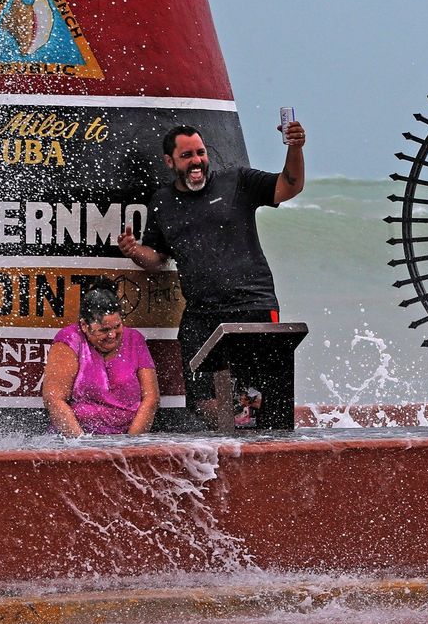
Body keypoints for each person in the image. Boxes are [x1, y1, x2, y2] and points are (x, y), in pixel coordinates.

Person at [117, 120, 306, 425]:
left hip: (252, 307)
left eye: (201, 153)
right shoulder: (162, 202)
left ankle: (260, 450)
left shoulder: (237, 181)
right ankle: (223, 451)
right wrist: (134, 251)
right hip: (200, 315)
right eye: (187, 155)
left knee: (257, 400)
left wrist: (294, 148)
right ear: (169, 161)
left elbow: (290, 185)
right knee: (203, 402)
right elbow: (158, 257)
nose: (196, 161)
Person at [41, 282, 159, 436]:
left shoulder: (134, 339)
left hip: (128, 439)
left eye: (117, 326)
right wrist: (82, 446)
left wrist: (130, 444)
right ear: (84, 326)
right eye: (104, 330)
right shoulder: (70, 339)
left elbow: (151, 399)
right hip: (77, 439)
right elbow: (54, 399)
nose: (112, 335)